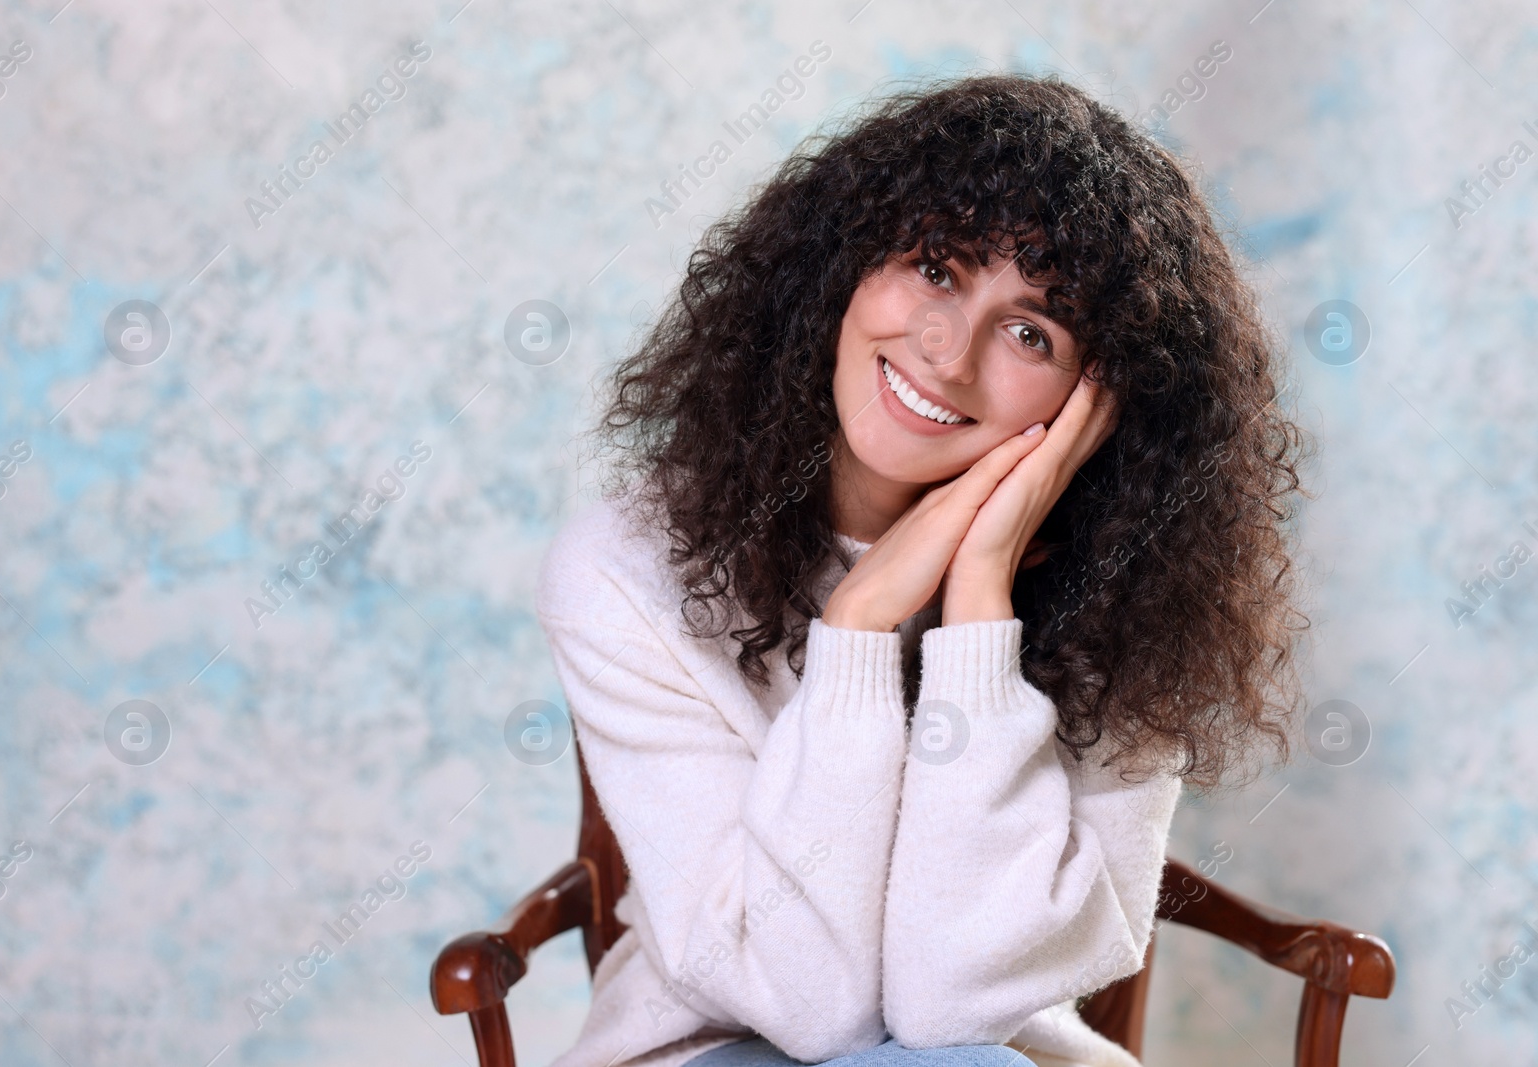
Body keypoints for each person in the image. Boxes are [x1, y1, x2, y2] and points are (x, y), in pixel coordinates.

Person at [535, 72, 1311, 1067]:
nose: (947, 353)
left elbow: (953, 1004)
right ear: (841, 265)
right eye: (937, 268)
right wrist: (859, 626)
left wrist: (978, 607)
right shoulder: (629, 566)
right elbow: (805, 1009)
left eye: (1032, 330)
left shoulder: (1129, 607)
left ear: (1096, 406)